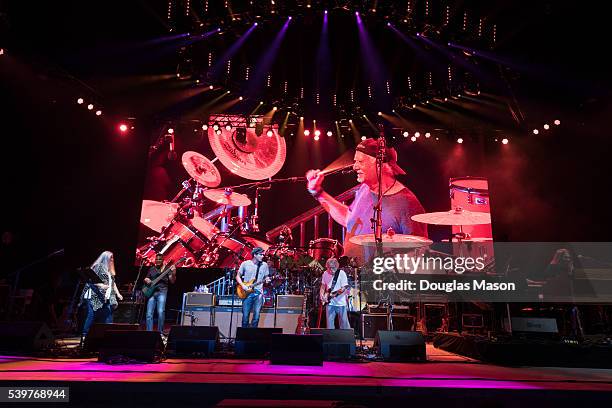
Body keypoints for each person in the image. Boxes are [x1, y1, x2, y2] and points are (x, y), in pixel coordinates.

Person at [306, 138, 428, 262]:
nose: (355, 167)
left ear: (380, 165)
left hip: (379, 279)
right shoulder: (364, 189)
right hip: (351, 277)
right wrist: (318, 192)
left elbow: (418, 253)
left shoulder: (407, 203)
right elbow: (349, 219)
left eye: (360, 161)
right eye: (355, 161)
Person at [80, 251, 123, 338]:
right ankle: (85, 335)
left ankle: (107, 335)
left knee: (108, 315)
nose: (112, 259)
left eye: (113, 257)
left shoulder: (109, 270)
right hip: (93, 295)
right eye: (111, 257)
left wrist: (118, 294)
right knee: (91, 315)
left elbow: (113, 283)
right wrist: (101, 285)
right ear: (105, 258)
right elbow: (91, 280)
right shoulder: (99, 267)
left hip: (103, 297)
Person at [236, 247, 270, 328]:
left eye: (263, 255)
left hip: (258, 293)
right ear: (255, 255)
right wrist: (243, 285)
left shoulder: (264, 265)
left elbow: (266, 277)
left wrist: (267, 280)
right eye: (261, 255)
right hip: (247, 292)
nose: (262, 256)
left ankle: (253, 336)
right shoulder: (245, 264)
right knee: (245, 317)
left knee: (256, 317)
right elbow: (238, 276)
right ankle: (244, 336)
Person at [144, 253, 176, 333]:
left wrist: (174, 273)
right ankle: (149, 333)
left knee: (161, 312)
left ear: (163, 260)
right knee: (148, 314)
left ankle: (160, 333)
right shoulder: (152, 269)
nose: (158, 261)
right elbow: (146, 278)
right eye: (157, 259)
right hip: (152, 292)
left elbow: (172, 281)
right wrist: (147, 280)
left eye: (160, 259)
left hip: (162, 291)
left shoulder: (167, 269)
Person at [319, 257, 351, 329]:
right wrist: (321, 295)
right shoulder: (325, 273)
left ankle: (346, 339)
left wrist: (336, 294)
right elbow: (323, 285)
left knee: (344, 325)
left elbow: (344, 287)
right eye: (329, 268)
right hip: (329, 303)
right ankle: (331, 339)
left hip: (341, 303)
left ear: (337, 266)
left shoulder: (341, 274)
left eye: (333, 268)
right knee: (329, 326)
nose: (331, 270)